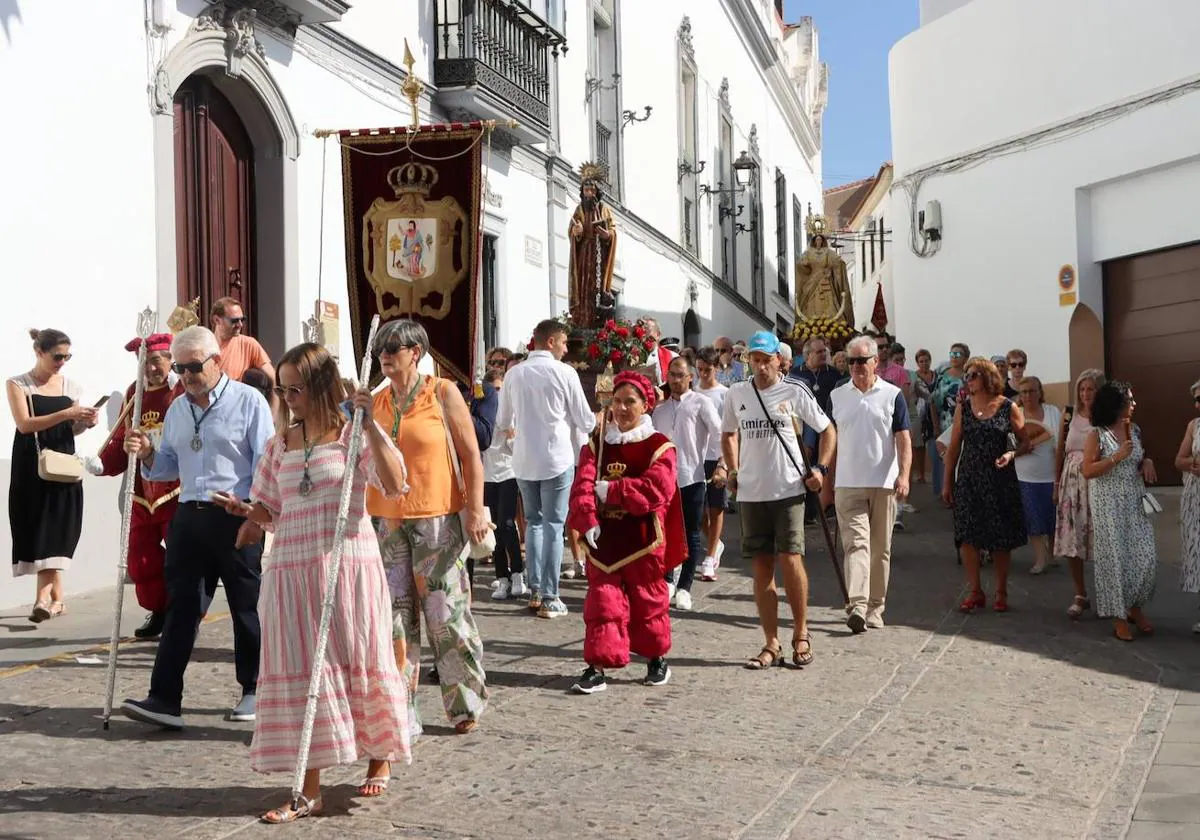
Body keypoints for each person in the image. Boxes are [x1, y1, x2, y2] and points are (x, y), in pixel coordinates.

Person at [213, 343, 412, 823]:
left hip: (346, 566)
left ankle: (379, 754)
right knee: (303, 672)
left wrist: (374, 427)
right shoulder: (280, 443)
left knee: (359, 658)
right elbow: (270, 506)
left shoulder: (351, 435)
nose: (287, 397)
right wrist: (248, 515)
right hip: (291, 573)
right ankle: (308, 788)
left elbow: (394, 482)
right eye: (282, 389)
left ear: (322, 386)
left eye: (295, 388)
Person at [120, 326, 273, 729]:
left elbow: (267, 462)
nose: (186, 375)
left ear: (216, 361)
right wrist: (149, 451)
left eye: (193, 366)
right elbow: (169, 464)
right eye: (180, 367)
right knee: (181, 609)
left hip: (235, 515)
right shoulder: (177, 409)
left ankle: (254, 690)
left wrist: (257, 513)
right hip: (189, 515)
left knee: (245, 606)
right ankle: (164, 698)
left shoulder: (248, 402)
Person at [366, 319, 489, 733]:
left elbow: (471, 454)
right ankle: (401, 713)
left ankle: (464, 704)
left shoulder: (442, 393)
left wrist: (475, 509)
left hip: (437, 519)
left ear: (415, 353)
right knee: (395, 619)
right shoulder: (378, 402)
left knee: (445, 613)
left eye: (394, 347)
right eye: (382, 347)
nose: (385, 353)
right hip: (387, 519)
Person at [713, 331, 835, 670]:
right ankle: (771, 642)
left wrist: (821, 470)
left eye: (767, 359)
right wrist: (734, 471)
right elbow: (728, 434)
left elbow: (827, 430)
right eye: (755, 359)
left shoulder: (794, 390)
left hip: (789, 490)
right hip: (751, 493)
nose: (761, 366)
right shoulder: (737, 393)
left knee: (791, 558)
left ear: (779, 360)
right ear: (748, 360)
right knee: (761, 566)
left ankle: (801, 632)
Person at [567, 371, 686, 693]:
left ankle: (656, 658)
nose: (621, 408)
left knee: (648, 602)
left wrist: (615, 491)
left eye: (629, 402)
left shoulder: (659, 446)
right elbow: (582, 486)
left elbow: (658, 489)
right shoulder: (597, 444)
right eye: (616, 401)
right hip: (604, 539)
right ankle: (597, 665)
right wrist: (588, 517)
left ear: (646, 405)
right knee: (602, 604)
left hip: (643, 539)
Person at [496, 318, 596, 618]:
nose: (566, 349)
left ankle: (537, 590)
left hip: (525, 459)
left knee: (534, 524)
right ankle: (550, 595)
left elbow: (503, 422)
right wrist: (594, 420)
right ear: (550, 342)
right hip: (555, 458)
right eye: (564, 343)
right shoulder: (564, 373)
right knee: (552, 526)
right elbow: (584, 419)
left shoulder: (515, 375)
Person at [92, 333, 184, 640]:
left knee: (182, 558)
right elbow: (121, 438)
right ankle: (158, 611)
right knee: (140, 559)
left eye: (156, 361)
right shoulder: (135, 392)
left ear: (171, 360)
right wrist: (103, 463)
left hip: (177, 488)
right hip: (142, 490)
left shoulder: (182, 391)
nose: (150, 368)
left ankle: (184, 616)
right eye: (144, 362)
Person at [7, 328, 97, 622]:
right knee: (38, 529)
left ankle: (44, 600)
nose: (62, 362)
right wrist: (67, 414)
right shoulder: (18, 384)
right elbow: (25, 424)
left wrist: (85, 422)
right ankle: (56, 599)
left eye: (67, 356)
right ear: (39, 352)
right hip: (31, 465)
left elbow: (70, 431)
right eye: (57, 356)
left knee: (57, 530)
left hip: (64, 463)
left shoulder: (71, 386)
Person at [830, 336, 911, 632]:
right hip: (848, 484)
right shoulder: (837, 395)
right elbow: (830, 438)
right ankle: (859, 605)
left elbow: (903, 438)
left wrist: (903, 476)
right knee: (856, 545)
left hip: (883, 483)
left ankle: (877, 607)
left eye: (861, 360)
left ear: (876, 361)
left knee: (881, 548)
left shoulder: (892, 395)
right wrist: (825, 476)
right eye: (851, 361)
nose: (856, 366)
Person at [942, 357, 1027, 613]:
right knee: (968, 534)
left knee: (1000, 538)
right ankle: (975, 590)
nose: (968, 379)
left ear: (987, 377)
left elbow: (1025, 442)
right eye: (966, 375)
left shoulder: (1007, 406)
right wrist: (948, 482)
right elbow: (954, 446)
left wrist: (1011, 454)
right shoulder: (964, 408)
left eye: (973, 374)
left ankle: (1001, 591)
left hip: (999, 479)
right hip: (969, 479)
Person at [1082, 381, 1158, 641]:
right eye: (1129, 399)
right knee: (1115, 560)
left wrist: (1145, 461)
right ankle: (1119, 616)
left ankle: (1135, 606)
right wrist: (1116, 457)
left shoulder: (1134, 429)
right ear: (1115, 404)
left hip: (1134, 500)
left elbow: (1138, 457)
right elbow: (1087, 470)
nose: (1134, 404)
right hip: (1108, 503)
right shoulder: (1097, 434)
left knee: (1145, 557)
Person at [653, 357, 721, 611]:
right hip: (662, 480)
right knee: (665, 532)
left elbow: (719, 434)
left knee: (691, 533)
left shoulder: (701, 403)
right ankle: (668, 578)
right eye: (672, 375)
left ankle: (685, 586)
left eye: (681, 375)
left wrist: (721, 464)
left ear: (690, 376)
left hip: (691, 477)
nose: (676, 380)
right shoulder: (659, 410)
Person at [1053, 369, 1105, 618]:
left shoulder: (1109, 417)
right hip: (1072, 481)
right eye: (1082, 389)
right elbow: (1060, 450)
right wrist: (1055, 484)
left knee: (1102, 540)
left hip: (1099, 480)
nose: (1086, 394)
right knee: (1073, 539)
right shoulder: (1069, 415)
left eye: (1091, 389)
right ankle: (1080, 594)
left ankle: (1108, 594)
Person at [482, 368, 527, 601]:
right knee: (494, 527)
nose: (497, 395)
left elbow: (516, 449)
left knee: (507, 523)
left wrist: (510, 436)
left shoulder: (511, 413)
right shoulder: (482, 412)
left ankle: (518, 572)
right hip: (487, 476)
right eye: (493, 390)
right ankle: (502, 577)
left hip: (508, 473)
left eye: (500, 389)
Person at [1014, 376, 1060, 575]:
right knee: (1033, 519)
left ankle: (1051, 555)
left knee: (1052, 518)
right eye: (1023, 392)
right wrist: (1022, 447)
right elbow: (1008, 443)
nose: (1027, 395)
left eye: (1032, 391)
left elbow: (1060, 442)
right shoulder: (1016, 414)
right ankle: (1040, 558)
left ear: (1040, 392)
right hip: (1025, 476)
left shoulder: (1052, 412)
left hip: (1050, 474)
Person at [695, 347, 729, 579]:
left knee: (715, 507)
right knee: (696, 512)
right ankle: (715, 544)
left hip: (716, 456)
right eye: (699, 370)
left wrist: (724, 461)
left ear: (716, 368)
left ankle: (710, 555)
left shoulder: (725, 394)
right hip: (695, 457)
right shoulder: (692, 391)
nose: (703, 374)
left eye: (707, 370)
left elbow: (730, 430)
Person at [1173, 378, 1200, 633]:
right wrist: (1192, 463)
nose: (1197, 405)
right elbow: (1178, 460)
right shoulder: (1194, 426)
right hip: (1196, 498)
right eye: (1196, 399)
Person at [930, 342, 969, 501]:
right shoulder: (942, 378)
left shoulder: (969, 377)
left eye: (958, 354)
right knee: (946, 458)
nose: (954, 357)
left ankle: (960, 492)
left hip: (965, 424)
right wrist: (936, 427)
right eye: (952, 354)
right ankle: (946, 492)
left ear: (966, 358)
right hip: (946, 424)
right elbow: (933, 403)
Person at [211, 297, 274, 382]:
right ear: (217, 320)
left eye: (242, 319)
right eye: (234, 321)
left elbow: (272, 378)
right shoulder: (203, 346)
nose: (240, 325)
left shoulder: (249, 344)